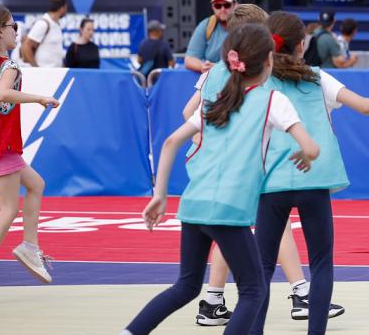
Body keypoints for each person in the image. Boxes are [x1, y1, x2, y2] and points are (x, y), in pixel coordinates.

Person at [126, 24, 322, 335]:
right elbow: (311, 146)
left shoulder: (215, 101)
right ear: (269, 60)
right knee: (253, 291)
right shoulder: (273, 100)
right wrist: (307, 155)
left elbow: (170, 143)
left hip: (193, 205)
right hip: (229, 209)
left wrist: (160, 195)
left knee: (186, 286)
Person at [251, 12, 369, 334]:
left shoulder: (258, 81)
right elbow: (365, 106)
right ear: (302, 45)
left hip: (269, 182)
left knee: (261, 266)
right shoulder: (318, 78)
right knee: (320, 263)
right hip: (313, 179)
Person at [0, 4, 62, 301]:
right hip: (3, 147)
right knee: (8, 209)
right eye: (13, 26)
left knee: (36, 185)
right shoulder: (9, 67)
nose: (16, 31)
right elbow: (4, 96)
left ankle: (29, 245)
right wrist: (39, 98)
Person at [185, 0, 238, 72]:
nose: (222, 9)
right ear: (213, 7)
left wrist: (219, 68)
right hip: (214, 81)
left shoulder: (246, 27)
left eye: (227, 5)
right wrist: (203, 66)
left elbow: (252, 61)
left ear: (235, 5)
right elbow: (190, 59)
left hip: (240, 82)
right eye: (218, 6)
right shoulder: (206, 25)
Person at [20, 0, 67, 68]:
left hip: (56, 73)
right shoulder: (43, 24)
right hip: (44, 73)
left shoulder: (56, 24)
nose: (66, 10)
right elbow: (26, 46)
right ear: (61, 9)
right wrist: (36, 68)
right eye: (65, 8)